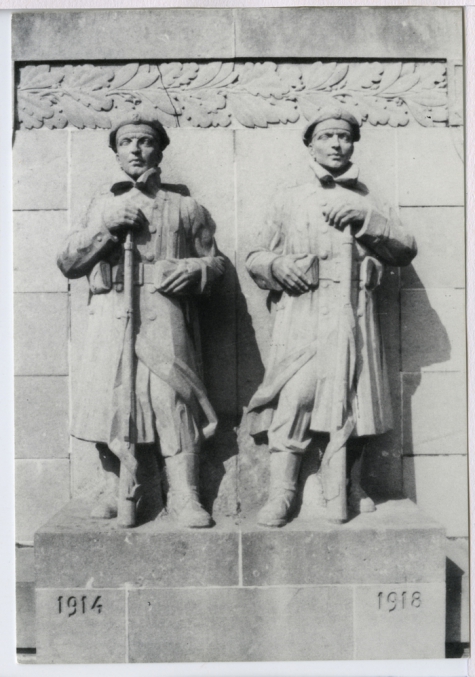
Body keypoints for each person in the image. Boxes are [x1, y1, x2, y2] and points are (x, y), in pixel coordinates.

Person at [245, 105, 417, 528]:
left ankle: (344, 482)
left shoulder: (367, 197)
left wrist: (367, 220)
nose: (337, 144)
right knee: (296, 398)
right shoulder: (289, 197)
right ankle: (282, 491)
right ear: (311, 144)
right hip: (302, 319)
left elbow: (405, 248)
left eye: (344, 136)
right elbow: (254, 255)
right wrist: (275, 267)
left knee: (353, 402)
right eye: (326, 136)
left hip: (354, 320)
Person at [57, 112, 225, 528]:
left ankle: (185, 494)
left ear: (160, 149)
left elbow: (217, 263)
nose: (136, 149)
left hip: (165, 312)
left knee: (173, 400)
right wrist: (107, 228)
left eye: (146, 141)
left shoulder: (185, 206)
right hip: (112, 315)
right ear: (115, 152)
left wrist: (196, 271)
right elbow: (68, 261)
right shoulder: (101, 204)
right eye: (127, 142)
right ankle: (116, 486)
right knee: (111, 399)